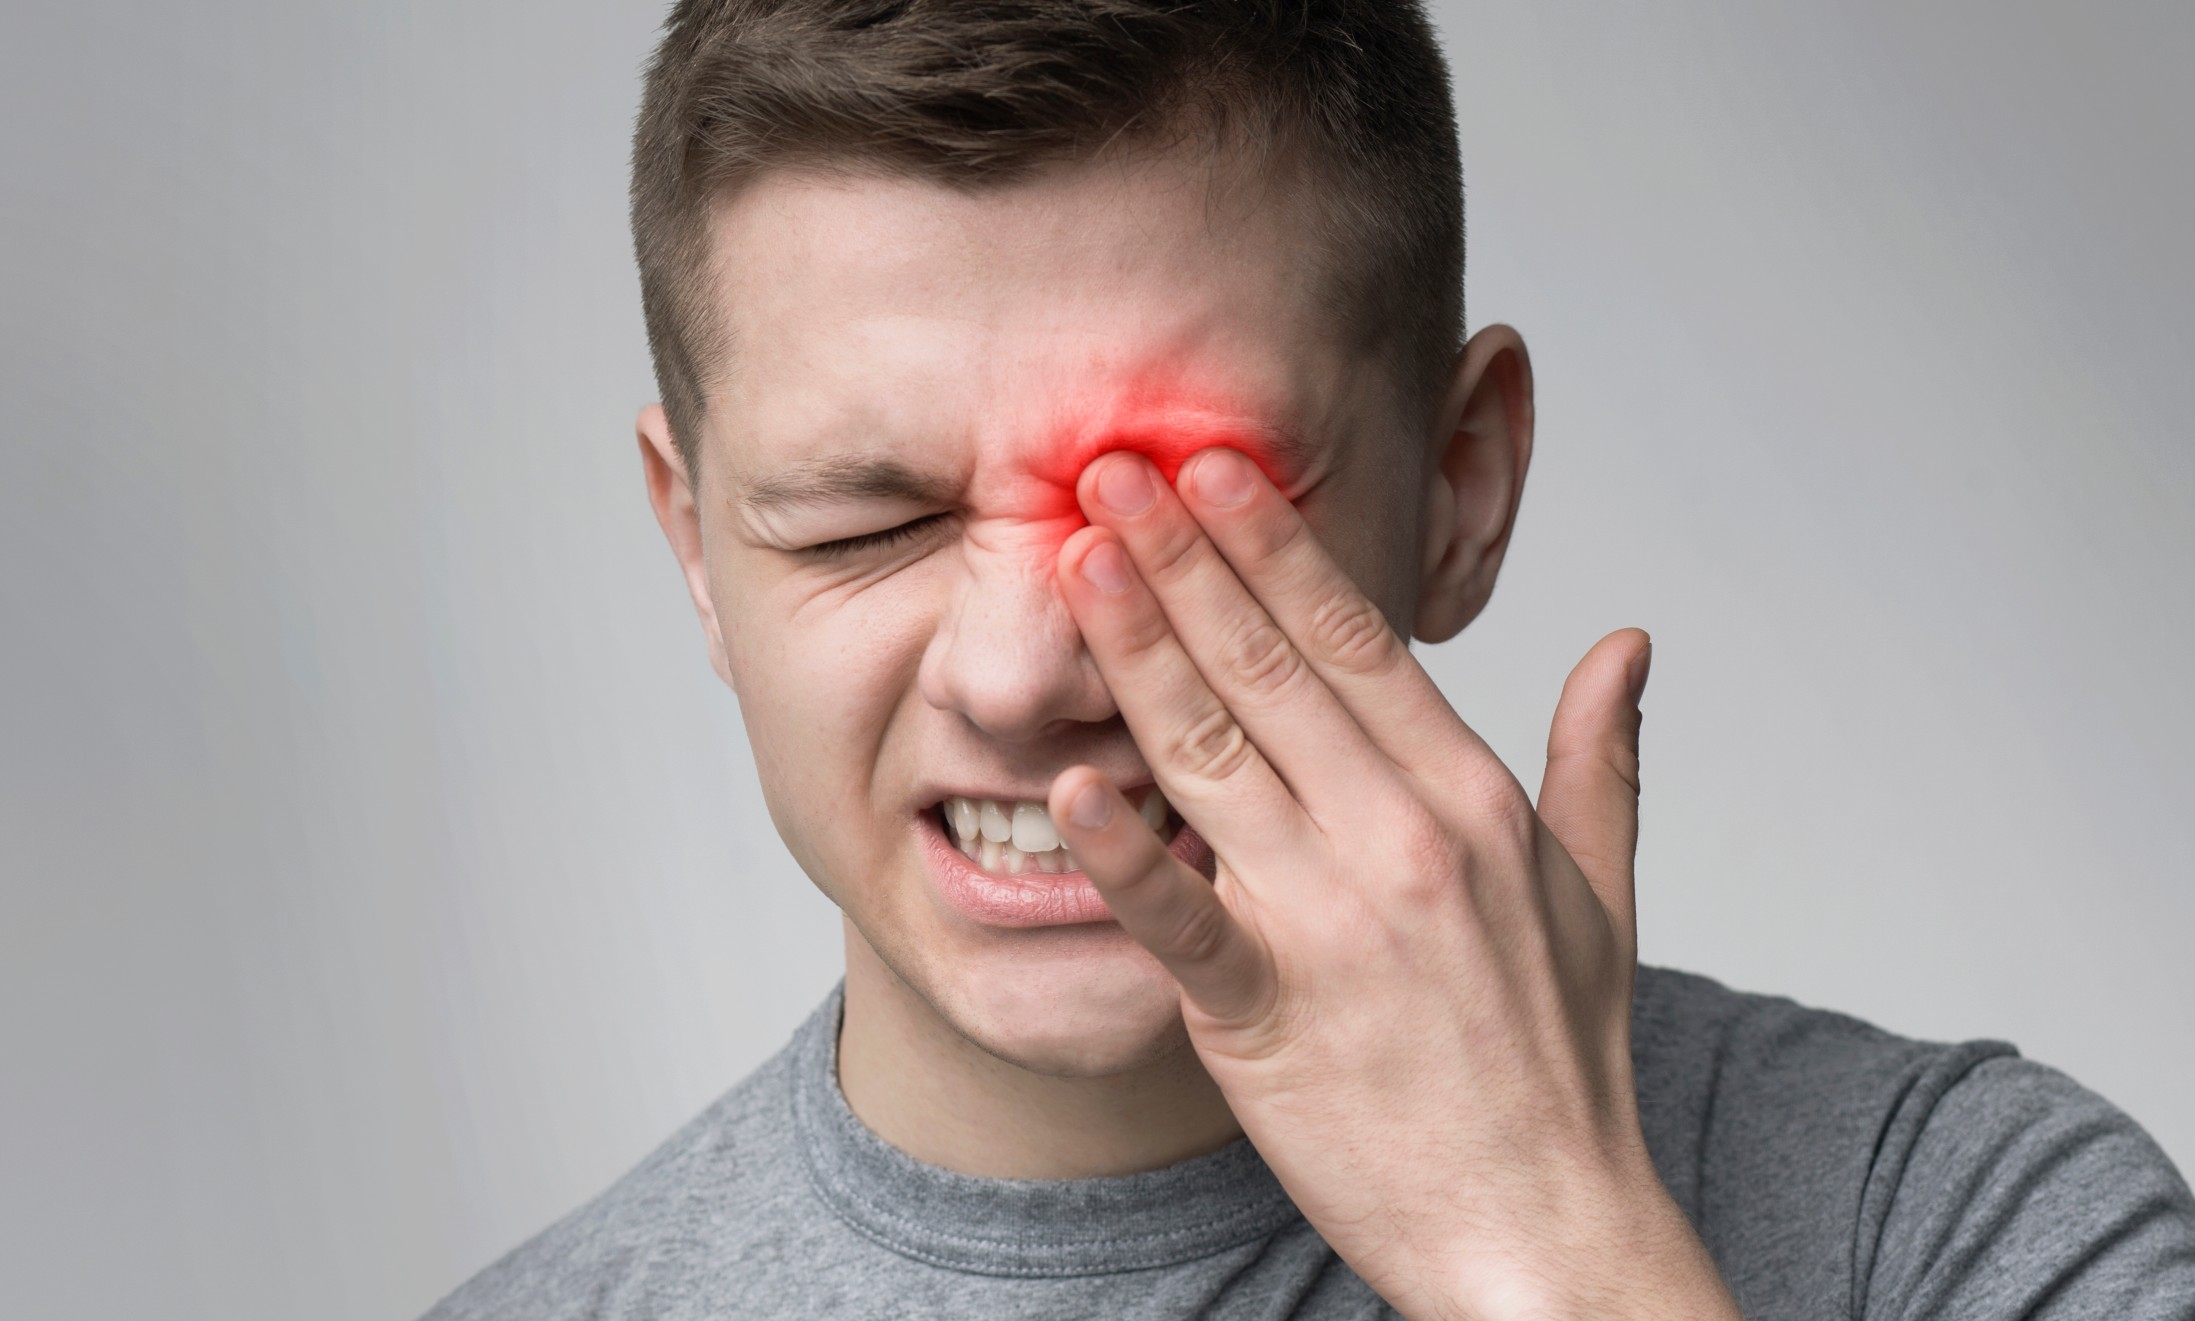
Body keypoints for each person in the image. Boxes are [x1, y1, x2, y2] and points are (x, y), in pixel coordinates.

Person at [424, 2, 2195, 1316]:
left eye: (1186, 505)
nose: (1025, 666)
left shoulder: (1961, 1223)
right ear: (696, 549)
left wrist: (1549, 1246)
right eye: (862, 524)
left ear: (1458, 485)